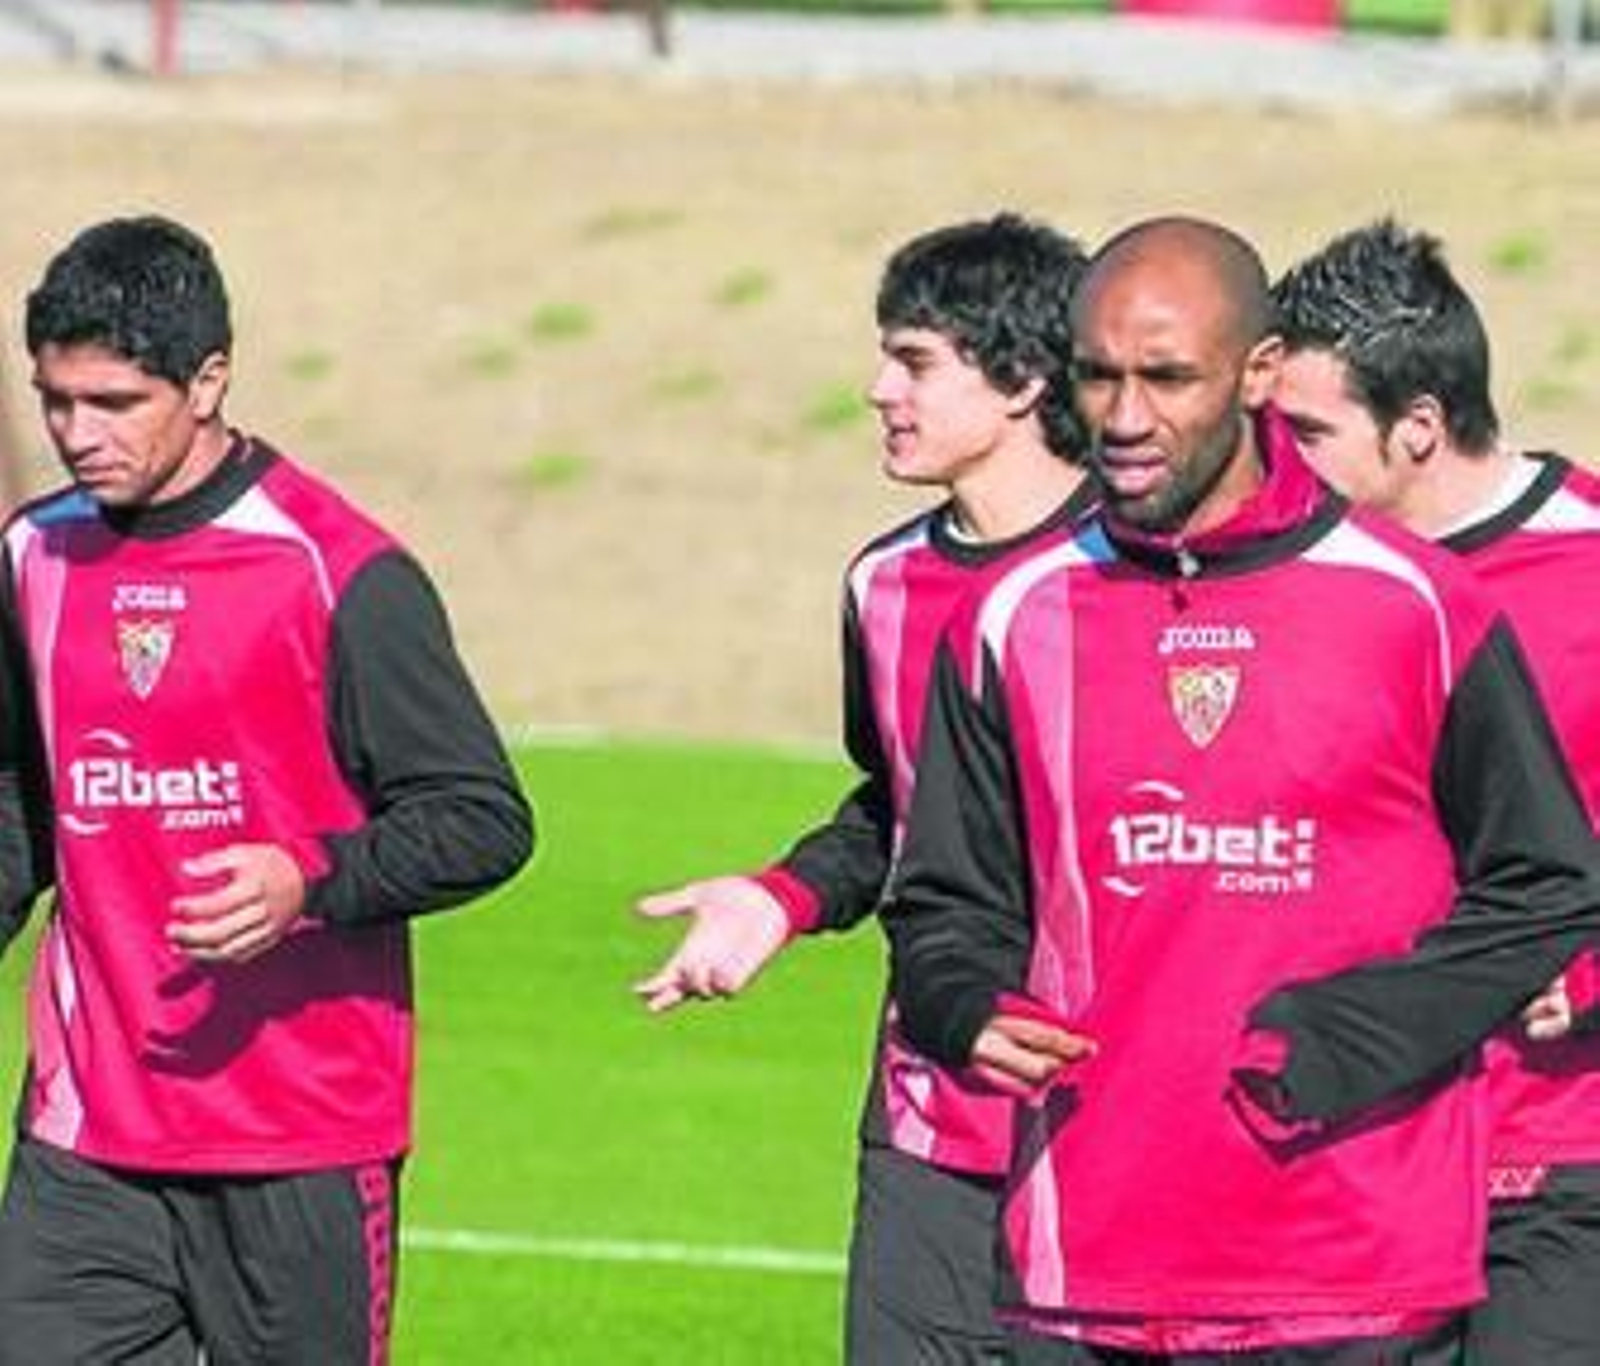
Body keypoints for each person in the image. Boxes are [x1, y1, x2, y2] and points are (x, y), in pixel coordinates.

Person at [883, 215, 1600, 1363]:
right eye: (1097, 375)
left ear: (1257, 373)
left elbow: (1546, 884)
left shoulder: (1417, 605)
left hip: (1352, 1272)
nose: (1122, 417)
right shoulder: (1011, 615)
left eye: (1165, 378)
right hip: (1083, 1267)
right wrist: (963, 999)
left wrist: (1346, 1033)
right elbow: (941, 900)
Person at [0, 215, 534, 1365]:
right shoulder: (31, 558)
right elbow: (21, 804)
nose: (76, 435)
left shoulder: (339, 571)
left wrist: (312, 877)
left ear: (209, 379)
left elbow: (482, 817)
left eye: (114, 404)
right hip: (84, 1141)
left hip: (295, 1144)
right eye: (55, 400)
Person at [634, 213, 1098, 1362]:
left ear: (1024, 378)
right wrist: (780, 898)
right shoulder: (882, 581)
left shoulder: (1134, 577)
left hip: (1101, 1133)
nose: (875, 387)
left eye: (914, 360)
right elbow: (899, 807)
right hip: (926, 1129)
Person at [1272, 217, 1600, 1365]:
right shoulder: (1293, 582)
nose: (1274, 462)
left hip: (1556, 1153)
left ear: (1417, 426)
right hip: (1343, 1154)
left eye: (1304, 432)